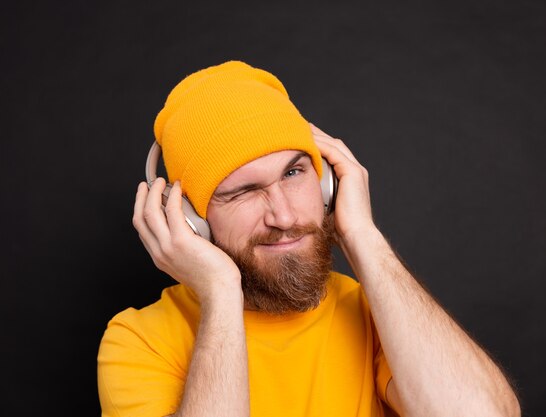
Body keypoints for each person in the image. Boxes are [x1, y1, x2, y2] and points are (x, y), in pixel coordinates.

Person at [97, 61, 520, 417]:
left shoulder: (375, 314)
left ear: (327, 185)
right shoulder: (140, 341)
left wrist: (360, 235)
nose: (284, 216)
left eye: (294, 173)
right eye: (242, 192)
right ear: (190, 220)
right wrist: (221, 293)